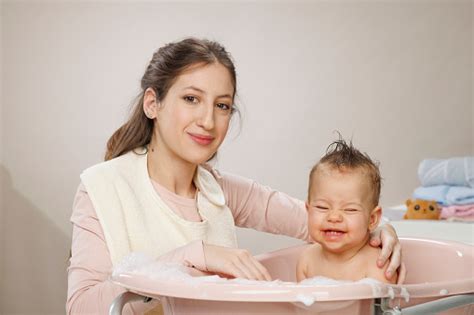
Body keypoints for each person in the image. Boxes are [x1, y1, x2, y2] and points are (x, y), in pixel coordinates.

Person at [67, 38, 404, 314]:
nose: (208, 121)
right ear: (153, 103)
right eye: (191, 99)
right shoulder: (102, 189)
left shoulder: (220, 190)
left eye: (222, 105)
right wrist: (193, 255)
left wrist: (379, 228)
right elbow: (81, 308)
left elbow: (319, 219)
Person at [296, 139, 398, 284]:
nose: (334, 217)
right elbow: (302, 306)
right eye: (322, 207)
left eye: (350, 209)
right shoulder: (307, 260)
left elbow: (382, 307)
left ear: (372, 219)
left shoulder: (377, 265)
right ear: (308, 210)